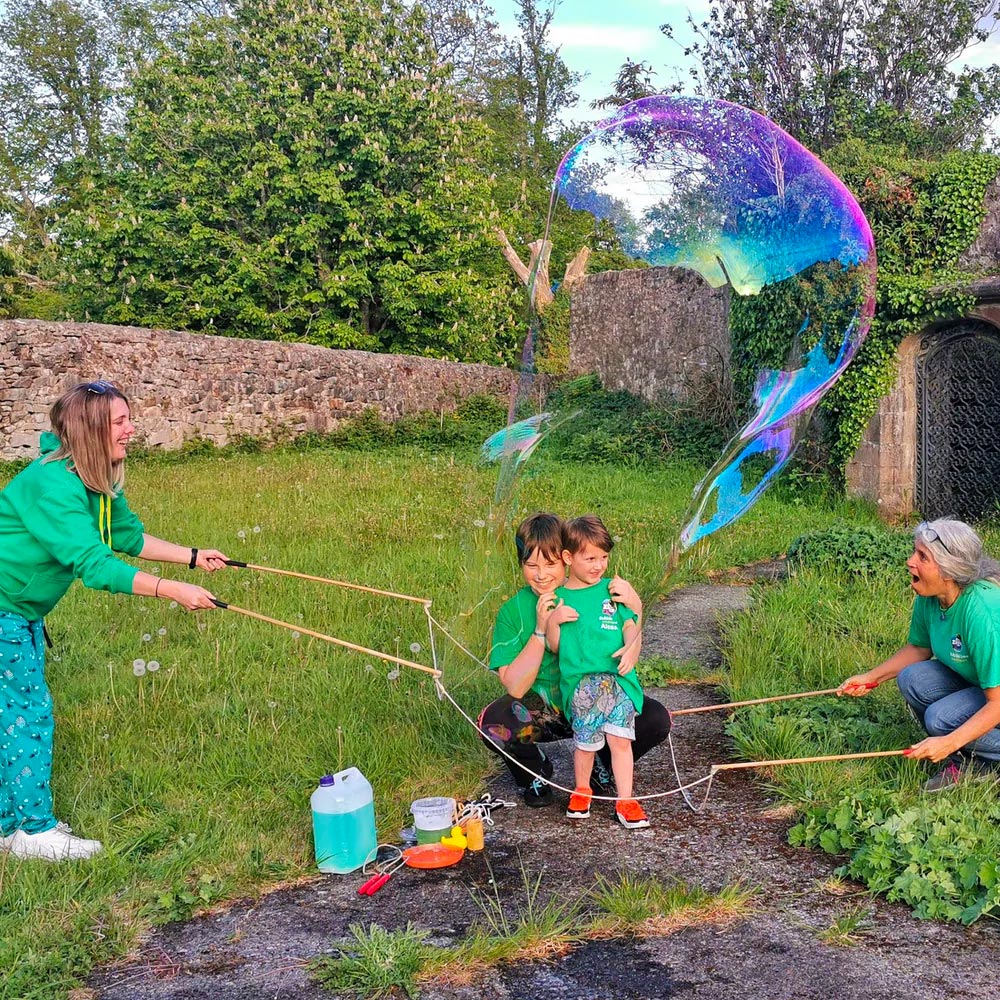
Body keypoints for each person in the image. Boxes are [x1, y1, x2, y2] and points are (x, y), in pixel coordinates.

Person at [0, 380, 229, 861]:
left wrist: (191, 558)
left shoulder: (95, 477)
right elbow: (94, 563)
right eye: (119, 421)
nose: (131, 429)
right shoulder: (52, 483)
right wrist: (171, 591)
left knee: (12, 713)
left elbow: (126, 535)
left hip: (18, 611)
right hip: (4, 610)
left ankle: (11, 829)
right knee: (27, 713)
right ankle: (35, 833)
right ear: (90, 429)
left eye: (128, 418)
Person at [478, 512, 670, 809]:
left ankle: (602, 762)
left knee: (657, 719)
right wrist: (541, 630)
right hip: (548, 709)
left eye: (551, 564)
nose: (541, 575)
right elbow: (514, 687)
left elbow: (627, 636)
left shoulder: (597, 592)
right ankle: (535, 772)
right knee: (494, 721)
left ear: (567, 559)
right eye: (531, 565)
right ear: (520, 565)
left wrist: (638, 610)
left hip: (596, 698)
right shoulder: (512, 611)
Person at [838, 518, 1000, 791]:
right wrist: (870, 677)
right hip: (983, 685)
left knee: (940, 719)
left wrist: (949, 740)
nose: (910, 561)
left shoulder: (981, 611)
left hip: (995, 696)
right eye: (915, 552)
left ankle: (981, 758)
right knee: (913, 678)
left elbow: (997, 702)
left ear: (949, 569)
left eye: (922, 556)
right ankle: (971, 759)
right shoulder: (931, 596)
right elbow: (919, 649)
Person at [546, 515, 648, 829]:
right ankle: (582, 789)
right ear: (568, 557)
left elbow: (631, 625)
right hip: (581, 685)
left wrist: (631, 646)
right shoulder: (558, 598)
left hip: (617, 680)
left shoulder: (613, 589)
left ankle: (626, 799)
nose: (598, 565)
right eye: (590, 558)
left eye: (604, 557)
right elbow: (554, 646)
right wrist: (553, 621)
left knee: (620, 741)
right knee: (585, 742)